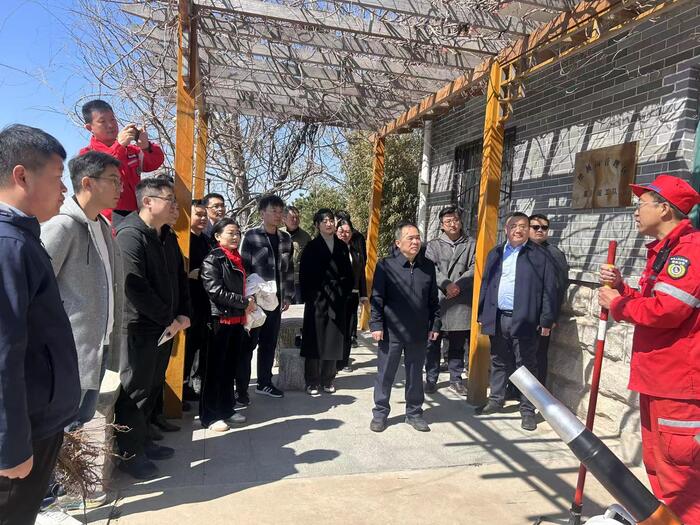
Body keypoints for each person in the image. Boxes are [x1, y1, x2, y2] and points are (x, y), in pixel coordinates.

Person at [598, 174, 700, 524]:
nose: (636, 211)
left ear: (665, 209)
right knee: (659, 469)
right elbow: (651, 300)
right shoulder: (665, 250)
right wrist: (621, 289)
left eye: (642, 204)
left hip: (678, 386)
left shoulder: (689, 251)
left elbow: (666, 311)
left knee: (682, 481)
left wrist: (616, 305)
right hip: (657, 380)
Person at [0, 124, 80, 524]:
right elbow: (2, 351)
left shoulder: (22, 235)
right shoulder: (8, 245)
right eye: (57, 177)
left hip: (37, 417)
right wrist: (10, 444)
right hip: (23, 427)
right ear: (22, 176)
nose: (64, 189)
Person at [40, 152, 123, 429]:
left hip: (99, 345)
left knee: (80, 421)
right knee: (60, 426)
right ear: (87, 183)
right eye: (113, 180)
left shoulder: (104, 226)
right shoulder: (62, 226)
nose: (120, 188)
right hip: (68, 351)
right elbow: (37, 288)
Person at [114, 178, 190, 479]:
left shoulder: (167, 236)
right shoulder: (130, 235)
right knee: (135, 392)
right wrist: (168, 318)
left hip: (164, 326)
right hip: (139, 327)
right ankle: (130, 456)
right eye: (170, 200)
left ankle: (144, 442)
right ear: (148, 201)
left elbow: (180, 278)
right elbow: (135, 287)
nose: (175, 207)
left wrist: (183, 313)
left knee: (153, 386)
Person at [476, 212, 557, 431]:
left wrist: (546, 320)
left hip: (526, 318)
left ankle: (527, 410)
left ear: (527, 229)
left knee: (527, 365)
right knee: (498, 359)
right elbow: (486, 284)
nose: (518, 230)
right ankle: (496, 399)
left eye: (522, 226)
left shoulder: (539, 255)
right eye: (513, 226)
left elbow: (549, 290)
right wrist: (483, 313)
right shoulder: (495, 253)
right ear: (506, 229)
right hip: (498, 316)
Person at [369, 221, 441, 433]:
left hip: (418, 330)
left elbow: (433, 300)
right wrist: (376, 324)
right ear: (398, 242)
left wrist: (435, 324)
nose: (416, 242)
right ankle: (380, 413)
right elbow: (377, 298)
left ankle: (414, 413)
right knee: (385, 374)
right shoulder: (386, 265)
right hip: (390, 331)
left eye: (418, 238)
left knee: (415, 374)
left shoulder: (427, 267)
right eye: (410, 238)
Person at [200, 218, 255, 431]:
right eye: (230, 233)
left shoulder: (237, 258)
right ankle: (209, 415)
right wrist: (244, 302)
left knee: (229, 368)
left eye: (238, 233)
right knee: (214, 370)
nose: (235, 237)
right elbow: (215, 292)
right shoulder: (213, 259)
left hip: (236, 320)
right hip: (219, 320)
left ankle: (226, 408)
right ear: (217, 236)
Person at [239, 194, 294, 401]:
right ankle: (241, 389)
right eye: (273, 211)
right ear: (262, 213)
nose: (278, 215)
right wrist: (247, 299)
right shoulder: (251, 236)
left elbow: (289, 270)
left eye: (280, 211)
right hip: (255, 300)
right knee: (248, 345)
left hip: (276, 300)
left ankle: (264, 383)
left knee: (269, 343)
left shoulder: (286, 238)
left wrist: (287, 295)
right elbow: (244, 268)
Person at [79, 99, 164, 224]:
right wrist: (118, 146)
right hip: (107, 223)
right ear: (89, 127)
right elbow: (101, 170)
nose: (110, 125)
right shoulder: (86, 154)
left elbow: (154, 162)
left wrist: (146, 146)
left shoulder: (130, 151)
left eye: (112, 119)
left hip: (136, 219)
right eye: (102, 121)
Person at [299, 210, 354, 395]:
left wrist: (343, 293)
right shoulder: (311, 247)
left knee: (333, 339)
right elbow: (304, 275)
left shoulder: (341, 246)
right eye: (324, 221)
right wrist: (311, 297)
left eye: (331, 220)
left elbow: (349, 274)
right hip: (317, 300)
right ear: (317, 225)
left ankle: (328, 378)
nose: (329, 224)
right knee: (313, 340)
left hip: (337, 299)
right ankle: (312, 381)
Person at [424, 206, 476, 396]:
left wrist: (458, 285)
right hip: (438, 298)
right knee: (433, 342)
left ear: (461, 222)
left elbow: (475, 267)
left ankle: (456, 379)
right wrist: (446, 285)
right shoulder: (433, 245)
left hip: (461, 299)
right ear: (442, 225)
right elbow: (430, 268)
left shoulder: (471, 243)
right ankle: (431, 378)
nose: (452, 224)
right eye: (448, 221)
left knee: (457, 344)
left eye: (455, 220)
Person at [529, 213, 569, 386]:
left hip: (541, 316)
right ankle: (515, 390)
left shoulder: (554, 254)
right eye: (535, 227)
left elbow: (558, 288)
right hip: (520, 314)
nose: (540, 230)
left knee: (538, 355)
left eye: (544, 228)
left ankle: (536, 394)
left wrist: (551, 317)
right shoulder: (520, 250)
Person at [184, 199, 213, 406]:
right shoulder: (182, 239)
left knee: (199, 346)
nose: (203, 219)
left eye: (205, 215)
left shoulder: (206, 240)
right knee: (186, 348)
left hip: (205, 301)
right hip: (188, 300)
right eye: (198, 215)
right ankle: (181, 388)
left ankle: (193, 384)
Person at [336, 218, 368, 372]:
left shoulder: (355, 251)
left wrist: (364, 294)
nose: (345, 234)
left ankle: (344, 361)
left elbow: (361, 274)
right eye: (341, 231)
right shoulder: (329, 250)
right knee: (336, 329)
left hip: (352, 296)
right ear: (336, 232)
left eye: (348, 232)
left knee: (348, 330)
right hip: (335, 297)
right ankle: (332, 362)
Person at [282, 205, 312, 304]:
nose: (295, 220)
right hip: (282, 282)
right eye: (292, 218)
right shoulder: (278, 234)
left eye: (297, 218)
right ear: (284, 219)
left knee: (299, 309)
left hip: (299, 283)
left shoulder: (306, 237)